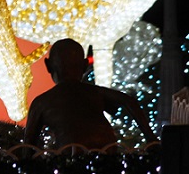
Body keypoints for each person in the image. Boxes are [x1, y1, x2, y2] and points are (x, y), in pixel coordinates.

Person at [24, 38, 159, 151]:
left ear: (48, 66)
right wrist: (150, 138)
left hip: (72, 158)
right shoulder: (94, 92)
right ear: (84, 66)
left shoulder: (42, 102)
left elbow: (29, 145)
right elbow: (129, 101)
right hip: (106, 152)